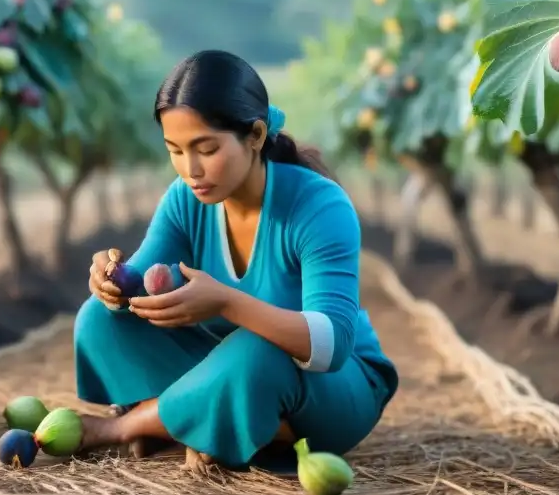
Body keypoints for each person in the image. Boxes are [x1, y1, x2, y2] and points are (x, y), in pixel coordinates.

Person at [73, 50, 399, 472]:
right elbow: (136, 280)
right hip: (232, 367)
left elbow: (331, 345)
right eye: (175, 150)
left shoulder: (319, 206)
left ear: (256, 135)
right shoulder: (185, 199)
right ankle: (214, 422)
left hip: (332, 385)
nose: (190, 169)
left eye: (206, 149)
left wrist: (226, 303)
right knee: (99, 319)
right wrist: (112, 282)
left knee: (254, 351)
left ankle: (127, 427)